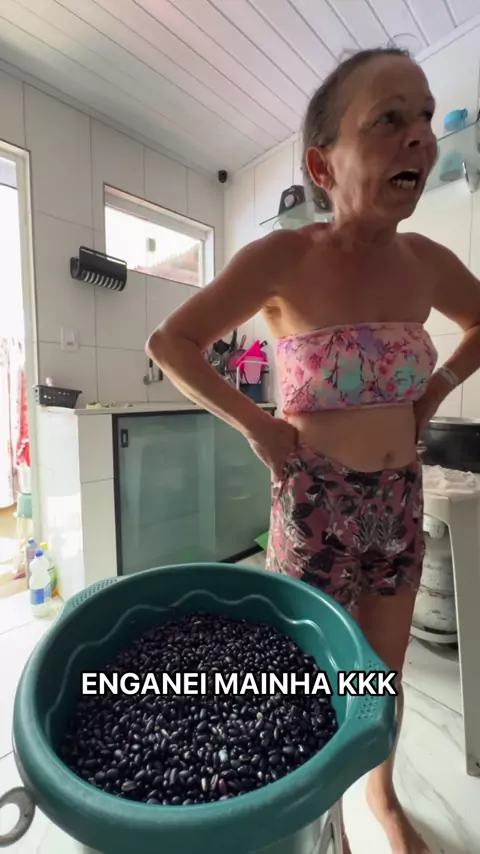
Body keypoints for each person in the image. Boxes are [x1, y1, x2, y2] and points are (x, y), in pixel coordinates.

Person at [146, 46, 480, 854]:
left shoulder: (427, 265)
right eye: (389, 119)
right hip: (314, 500)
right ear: (322, 165)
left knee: (382, 672)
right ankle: (317, 819)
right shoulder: (283, 259)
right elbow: (172, 342)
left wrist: (434, 392)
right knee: (308, 673)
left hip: (398, 497)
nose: (419, 135)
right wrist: (259, 426)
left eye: (424, 117)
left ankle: (383, 798)